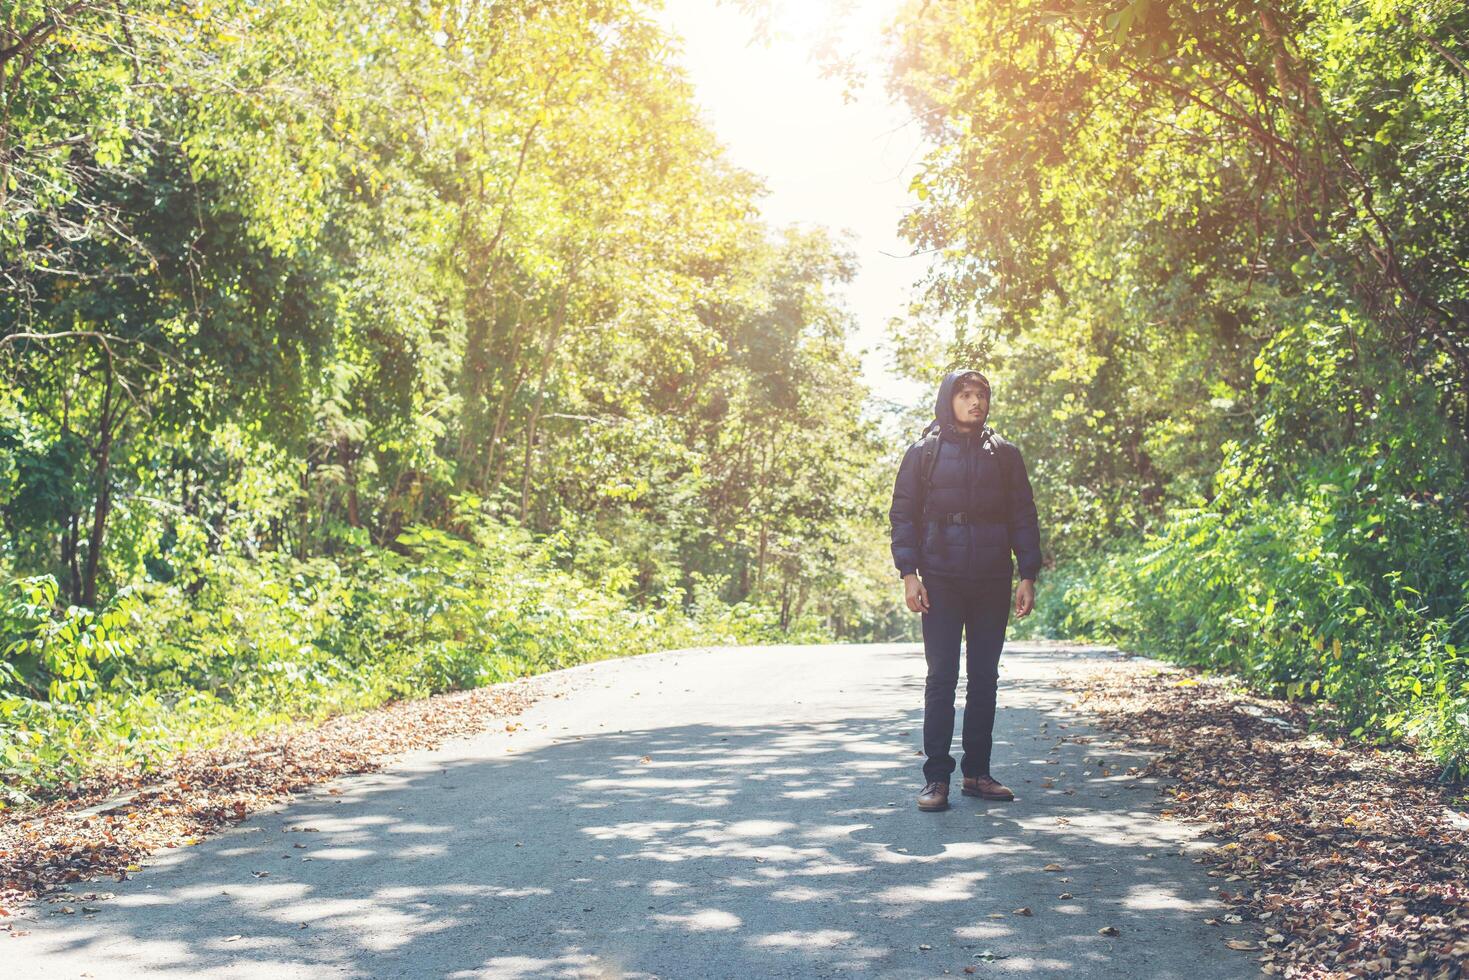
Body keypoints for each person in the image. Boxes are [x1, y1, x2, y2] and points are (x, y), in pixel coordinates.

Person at [888, 369, 1042, 812]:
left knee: (984, 679)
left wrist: (1026, 573)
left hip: (993, 578)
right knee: (941, 679)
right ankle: (936, 778)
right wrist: (909, 573)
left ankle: (977, 773)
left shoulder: (1005, 455)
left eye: (982, 395)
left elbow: (1023, 515)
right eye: (966, 395)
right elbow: (904, 516)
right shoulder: (924, 453)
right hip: (941, 578)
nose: (976, 402)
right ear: (948, 401)